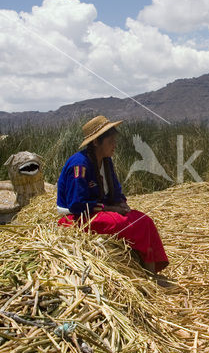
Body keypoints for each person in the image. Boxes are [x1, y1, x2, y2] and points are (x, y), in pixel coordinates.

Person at [57, 115, 169, 275]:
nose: (115, 145)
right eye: (111, 141)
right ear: (96, 142)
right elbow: (77, 205)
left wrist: (121, 203)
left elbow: (115, 190)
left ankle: (151, 274)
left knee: (144, 220)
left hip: (99, 212)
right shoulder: (79, 165)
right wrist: (111, 209)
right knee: (121, 223)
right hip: (76, 220)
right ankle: (147, 275)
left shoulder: (106, 161)